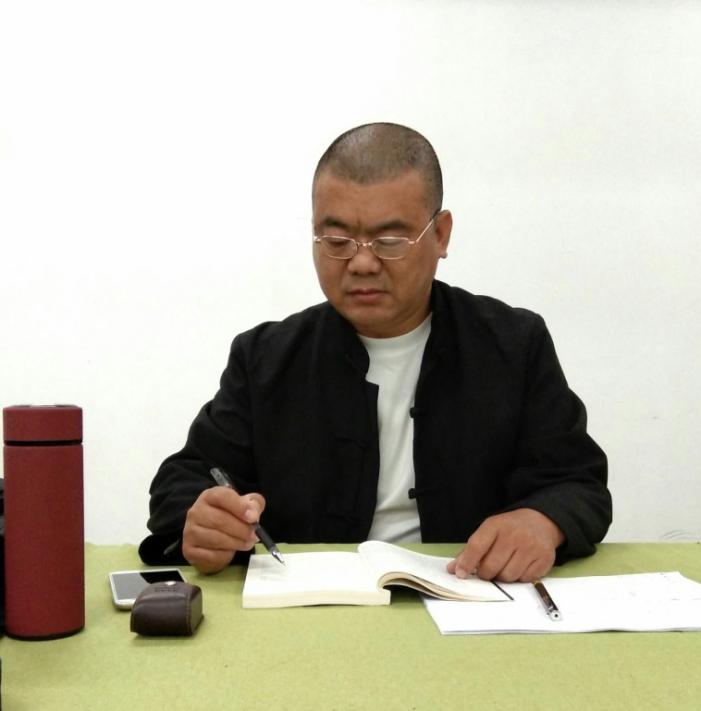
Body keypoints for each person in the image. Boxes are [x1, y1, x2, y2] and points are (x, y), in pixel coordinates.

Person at [140, 122, 611, 583]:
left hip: (466, 597)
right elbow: (185, 480)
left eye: (389, 241)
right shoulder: (266, 358)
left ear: (441, 235)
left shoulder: (513, 345)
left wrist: (542, 521)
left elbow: (577, 481)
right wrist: (202, 520)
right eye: (337, 241)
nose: (362, 262)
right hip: (312, 604)